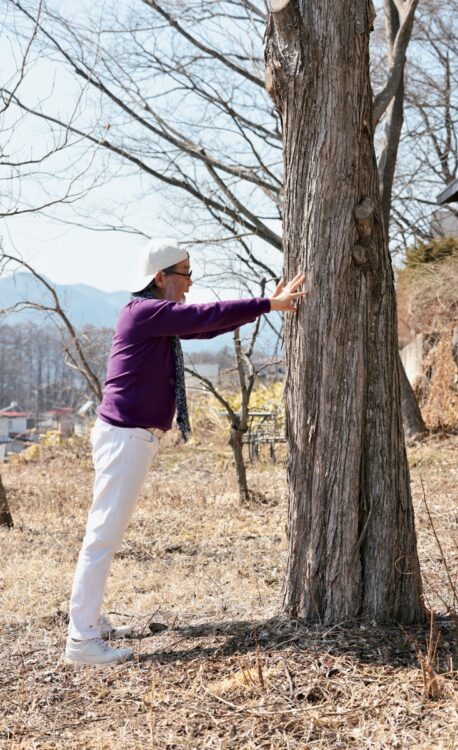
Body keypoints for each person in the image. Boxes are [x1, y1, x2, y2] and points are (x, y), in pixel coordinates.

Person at [65, 238, 306, 665]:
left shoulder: (155, 317)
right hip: (126, 437)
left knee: (104, 534)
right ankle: (82, 641)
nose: (190, 285)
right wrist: (268, 304)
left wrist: (267, 306)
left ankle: (89, 623)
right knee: (102, 537)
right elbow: (203, 316)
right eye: (186, 275)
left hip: (128, 437)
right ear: (160, 278)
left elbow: (205, 325)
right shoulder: (146, 312)